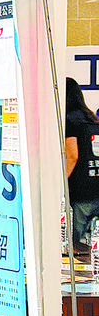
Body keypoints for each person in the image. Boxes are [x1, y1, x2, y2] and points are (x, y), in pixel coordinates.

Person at [66, 77, 99, 246]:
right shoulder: (93, 120)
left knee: (76, 245)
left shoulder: (70, 121)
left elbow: (72, 155)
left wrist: (59, 184)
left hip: (80, 193)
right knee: (94, 244)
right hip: (96, 188)